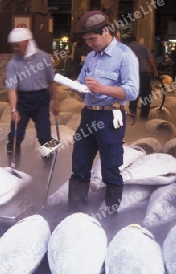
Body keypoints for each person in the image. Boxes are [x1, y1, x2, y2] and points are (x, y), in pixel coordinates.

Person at [67, 11, 139, 222]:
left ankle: (110, 218)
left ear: (106, 31)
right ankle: (75, 216)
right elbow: (81, 83)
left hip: (110, 117)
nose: (89, 44)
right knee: (79, 164)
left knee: (110, 168)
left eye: (92, 39)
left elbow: (133, 91)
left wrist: (102, 88)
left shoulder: (125, 55)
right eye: (86, 40)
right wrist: (75, 87)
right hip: (88, 115)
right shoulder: (91, 57)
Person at [5, 27, 60, 162]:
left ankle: (49, 166)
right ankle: (13, 167)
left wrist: (56, 101)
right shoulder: (13, 63)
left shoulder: (44, 57)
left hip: (41, 99)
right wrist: (13, 110)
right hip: (22, 100)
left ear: (27, 42)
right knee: (15, 136)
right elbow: (11, 88)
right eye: (13, 45)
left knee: (44, 136)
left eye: (17, 45)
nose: (15, 48)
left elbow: (52, 81)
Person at [124, 33, 158, 119]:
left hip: (130, 75)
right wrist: (155, 70)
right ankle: (143, 117)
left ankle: (133, 116)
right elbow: (150, 59)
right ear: (135, 39)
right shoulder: (142, 46)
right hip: (143, 75)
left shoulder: (125, 48)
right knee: (146, 96)